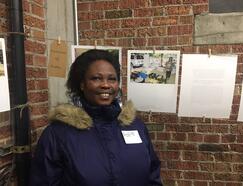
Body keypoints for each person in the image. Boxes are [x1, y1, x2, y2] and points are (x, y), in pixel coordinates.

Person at [29, 49, 162, 186]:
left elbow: (153, 174)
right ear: (82, 84)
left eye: (112, 79)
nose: (105, 85)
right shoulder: (58, 134)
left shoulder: (136, 126)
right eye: (96, 78)